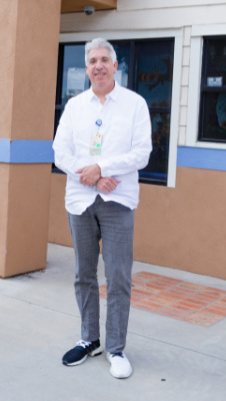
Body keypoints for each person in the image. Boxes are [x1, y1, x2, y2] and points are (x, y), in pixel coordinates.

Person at [53, 38, 152, 379]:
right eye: (92, 60)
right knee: (83, 275)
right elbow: (60, 152)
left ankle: (116, 348)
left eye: (104, 60)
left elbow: (141, 154)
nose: (98, 65)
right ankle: (89, 339)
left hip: (118, 203)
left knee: (119, 277)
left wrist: (103, 168)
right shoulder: (75, 106)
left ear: (115, 66)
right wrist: (95, 178)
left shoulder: (135, 104)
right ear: (87, 66)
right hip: (80, 202)